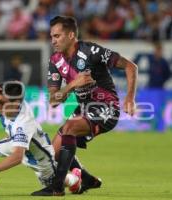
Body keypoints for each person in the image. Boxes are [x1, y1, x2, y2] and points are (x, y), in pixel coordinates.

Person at [31, 16, 138, 196]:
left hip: (106, 106)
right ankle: (88, 180)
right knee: (55, 153)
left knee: (69, 128)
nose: (53, 41)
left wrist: (130, 97)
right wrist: (73, 84)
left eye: (57, 36)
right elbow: (54, 100)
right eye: (52, 37)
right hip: (83, 108)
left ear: (71, 35)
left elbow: (130, 66)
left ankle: (57, 187)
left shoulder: (92, 51)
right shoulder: (55, 61)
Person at [0, 81, 82, 193]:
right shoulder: (2, 100)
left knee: (53, 184)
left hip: (40, 158)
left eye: (4, 104)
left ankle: (75, 179)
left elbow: (17, 157)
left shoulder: (24, 123)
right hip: (20, 144)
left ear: (17, 102)